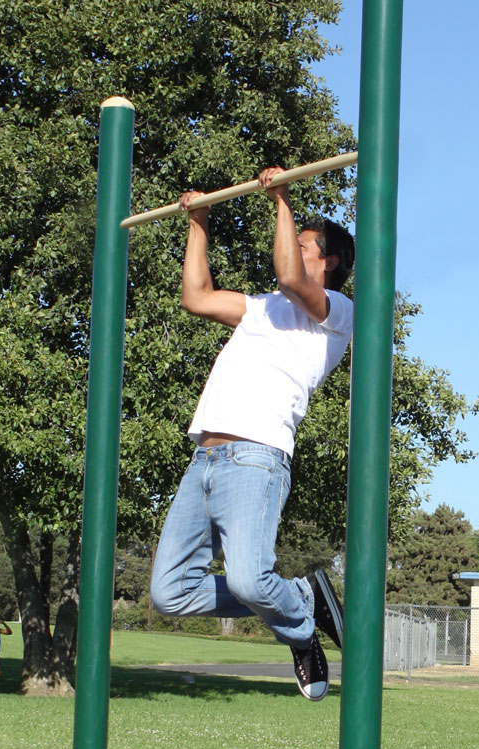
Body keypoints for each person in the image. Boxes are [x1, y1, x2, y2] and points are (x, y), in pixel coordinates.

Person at [150, 166, 353, 701]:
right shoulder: (260, 309)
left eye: (305, 244)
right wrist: (199, 223)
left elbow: (292, 277)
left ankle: (301, 630)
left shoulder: (336, 314)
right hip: (205, 460)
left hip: (256, 457)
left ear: (327, 261)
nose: (294, 249)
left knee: (247, 580)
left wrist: (282, 199)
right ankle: (299, 597)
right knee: (169, 592)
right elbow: (196, 297)